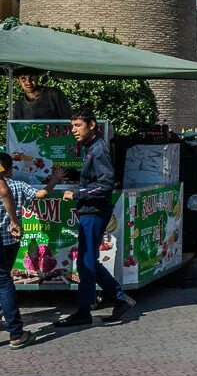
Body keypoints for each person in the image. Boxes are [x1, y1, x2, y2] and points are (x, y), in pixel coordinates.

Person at [52, 107, 135, 326]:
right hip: (91, 211)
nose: (73, 130)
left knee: (86, 262)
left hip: (94, 211)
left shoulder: (98, 150)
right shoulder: (91, 148)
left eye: (78, 125)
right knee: (86, 261)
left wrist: (77, 193)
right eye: (72, 126)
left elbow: (106, 184)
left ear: (92, 125)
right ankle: (117, 298)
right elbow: (93, 177)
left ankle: (87, 309)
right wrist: (71, 174)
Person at [0, 154, 63, 348]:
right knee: (3, 281)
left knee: (2, 281)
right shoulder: (17, 186)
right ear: (10, 170)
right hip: (9, 240)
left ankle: (16, 331)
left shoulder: (10, 186)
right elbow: (41, 194)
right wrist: (55, 179)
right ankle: (16, 333)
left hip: (8, 239)